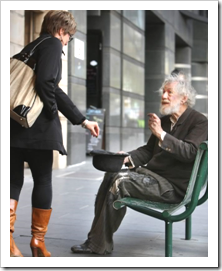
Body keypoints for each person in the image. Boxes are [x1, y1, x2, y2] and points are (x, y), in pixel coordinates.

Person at [71, 72, 208, 255]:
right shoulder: (166, 121)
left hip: (174, 188)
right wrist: (125, 158)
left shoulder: (199, 121)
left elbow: (190, 153)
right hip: (154, 178)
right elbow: (147, 150)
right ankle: (96, 240)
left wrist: (161, 134)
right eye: (163, 92)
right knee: (112, 173)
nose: (164, 96)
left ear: (184, 98)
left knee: (120, 182)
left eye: (169, 92)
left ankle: (98, 244)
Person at [10, 10, 100, 257]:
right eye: (69, 36)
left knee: (12, 181)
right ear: (62, 31)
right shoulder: (51, 44)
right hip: (36, 128)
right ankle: (37, 242)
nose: (68, 41)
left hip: (13, 124)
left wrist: (81, 120)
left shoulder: (31, 46)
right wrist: (51, 113)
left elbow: (51, 87)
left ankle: (7, 240)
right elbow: (47, 84)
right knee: (43, 180)